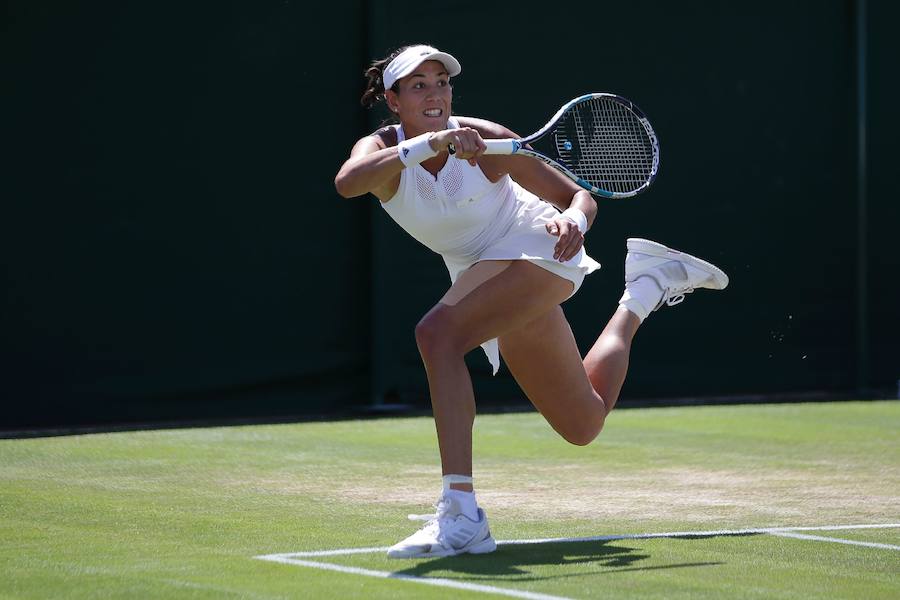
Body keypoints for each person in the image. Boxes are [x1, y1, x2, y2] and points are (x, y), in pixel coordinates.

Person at [334, 44, 728, 559]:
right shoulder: (383, 151)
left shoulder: (489, 141)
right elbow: (347, 184)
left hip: (535, 246)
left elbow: (578, 195)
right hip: (483, 275)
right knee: (583, 423)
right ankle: (645, 290)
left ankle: (461, 514)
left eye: (442, 82)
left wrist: (575, 221)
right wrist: (426, 145)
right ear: (394, 99)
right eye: (419, 85)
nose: (435, 94)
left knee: (437, 335)